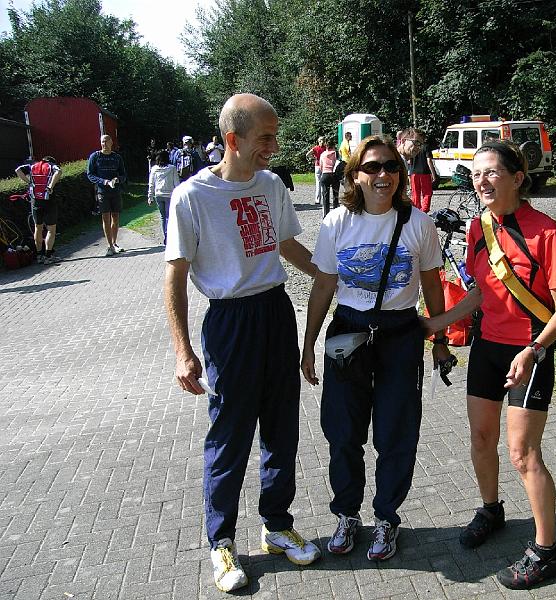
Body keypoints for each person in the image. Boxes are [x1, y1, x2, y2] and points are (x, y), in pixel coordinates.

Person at [164, 93, 321, 593]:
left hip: (276, 311)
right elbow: (175, 275)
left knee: (281, 428)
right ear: (233, 140)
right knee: (229, 435)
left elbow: (284, 244)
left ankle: (276, 526)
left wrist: (327, 274)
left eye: (274, 135)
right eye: (265, 138)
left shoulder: (271, 184)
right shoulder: (192, 196)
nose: (274, 146)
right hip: (230, 322)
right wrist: (182, 350)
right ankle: (221, 543)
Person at [424, 140, 556, 590]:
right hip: (487, 348)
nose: (482, 181)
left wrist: (534, 351)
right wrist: (434, 326)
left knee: (523, 454)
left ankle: (547, 552)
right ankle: (491, 509)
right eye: (475, 173)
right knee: (481, 437)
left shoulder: (546, 231)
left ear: (517, 178)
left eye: (491, 172)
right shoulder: (478, 228)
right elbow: (478, 296)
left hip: (530, 351)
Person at [301, 134, 451, 562]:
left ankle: (386, 517)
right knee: (342, 433)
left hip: (400, 334)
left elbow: (431, 285)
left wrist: (439, 342)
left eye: (390, 166)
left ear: (400, 173)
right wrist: (309, 345)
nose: (382, 174)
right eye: (371, 167)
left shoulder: (418, 222)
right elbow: (324, 284)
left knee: (396, 433)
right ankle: (347, 514)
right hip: (347, 331)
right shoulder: (336, 223)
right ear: (353, 174)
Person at [15, 155, 62, 264]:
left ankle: (39, 256)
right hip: (49, 201)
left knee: (38, 228)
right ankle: (48, 256)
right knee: (51, 229)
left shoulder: (32, 166)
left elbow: (17, 170)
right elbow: (58, 172)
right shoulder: (52, 166)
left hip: (35, 201)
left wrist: (29, 182)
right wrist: (50, 185)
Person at [87, 134, 127, 256]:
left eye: (106, 141)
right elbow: (90, 175)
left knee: (115, 217)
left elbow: (123, 175)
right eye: (102, 142)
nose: (104, 144)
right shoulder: (95, 156)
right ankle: (109, 246)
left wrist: (117, 180)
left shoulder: (117, 157)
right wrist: (104, 182)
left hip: (115, 191)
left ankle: (114, 243)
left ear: (111, 143)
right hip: (102, 192)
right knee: (105, 217)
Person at [147, 150, 180, 245]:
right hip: (170, 195)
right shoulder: (172, 168)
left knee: (162, 217)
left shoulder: (154, 169)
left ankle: (165, 236)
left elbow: (151, 184)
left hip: (158, 195)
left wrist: (150, 197)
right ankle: (169, 235)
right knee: (169, 217)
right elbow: (176, 183)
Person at [408, 132, 438, 213]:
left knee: (415, 193)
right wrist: (433, 174)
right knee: (427, 192)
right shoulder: (426, 147)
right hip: (424, 172)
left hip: (414, 172)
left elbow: (409, 160)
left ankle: (416, 210)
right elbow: (429, 161)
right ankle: (424, 210)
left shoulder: (413, 147)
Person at [318, 140, 339, 217]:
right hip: (333, 174)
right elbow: (338, 164)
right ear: (333, 145)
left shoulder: (323, 154)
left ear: (326, 146)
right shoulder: (335, 154)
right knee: (335, 194)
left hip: (325, 174)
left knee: (325, 195)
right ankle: (336, 212)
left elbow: (321, 166)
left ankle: (326, 214)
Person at [305, 136, 325, 205]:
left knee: (318, 183)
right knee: (323, 183)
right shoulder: (325, 148)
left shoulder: (315, 148)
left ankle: (317, 200)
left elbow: (307, 154)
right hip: (323, 166)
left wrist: (313, 158)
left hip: (317, 165)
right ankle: (324, 198)